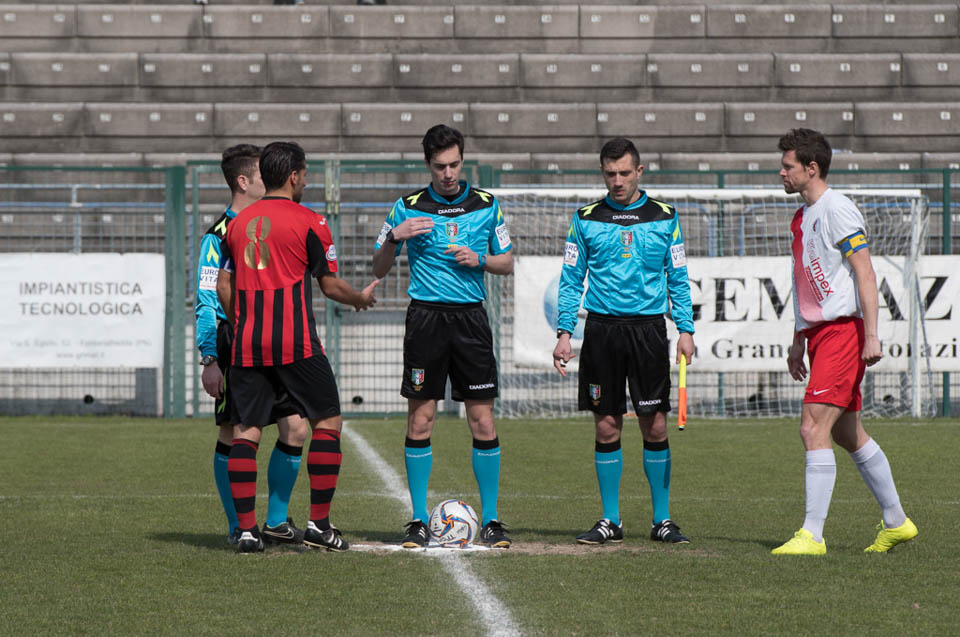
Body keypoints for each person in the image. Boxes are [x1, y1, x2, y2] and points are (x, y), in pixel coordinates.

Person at [218, 141, 379, 553]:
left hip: (247, 342)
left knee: (246, 431)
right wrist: (359, 298)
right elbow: (330, 285)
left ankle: (248, 532)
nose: (306, 182)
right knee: (327, 421)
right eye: (305, 175)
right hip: (296, 342)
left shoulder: (237, 223)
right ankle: (319, 526)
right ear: (293, 176)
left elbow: (223, 285)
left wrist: (242, 323)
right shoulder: (311, 221)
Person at [771, 128, 918, 555]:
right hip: (819, 335)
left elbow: (865, 273)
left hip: (843, 333)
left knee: (812, 427)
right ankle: (897, 522)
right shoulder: (802, 217)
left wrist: (871, 335)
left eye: (788, 166)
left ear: (811, 168)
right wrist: (798, 339)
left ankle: (812, 535)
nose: (781, 173)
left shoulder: (837, 209)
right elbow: (804, 284)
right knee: (847, 433)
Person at [372, 124, 515, 549]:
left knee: (482, 419)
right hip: (426, 320)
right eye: (440, 167)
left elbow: (507, 263)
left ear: (462, 161)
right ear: (427, 165)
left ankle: (492, 519)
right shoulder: (406, 208)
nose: (448, 174)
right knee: (421, 418)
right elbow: (379, 267)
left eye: (454, 165)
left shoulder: (486, 205)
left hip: (470, 320)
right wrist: (394, 237)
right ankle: (418, 519)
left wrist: (480, 259)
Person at [553, 137, 695, 546]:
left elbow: (678, 277)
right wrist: (564, 333)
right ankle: (610, 520)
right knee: (606, 424)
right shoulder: (585, 218)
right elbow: (570, 280)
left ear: (639, 172)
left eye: (624, 173)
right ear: (603, 173)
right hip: (602, 331)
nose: (617, 181)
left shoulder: (665, 217)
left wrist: (686, 329)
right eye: (610, 174)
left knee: (655, 423)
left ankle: (662, 520)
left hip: (648, 331)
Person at [194, 144, 307, 547]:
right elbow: (207, 299)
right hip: (235, 341)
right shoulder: (218, 237)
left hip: (278, 337)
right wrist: (210, 358)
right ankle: (237, 525)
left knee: (295, 427)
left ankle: (276, 521)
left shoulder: (274, 224)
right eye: (262, 174)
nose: (270, 178)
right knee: (234, 433)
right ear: (243, 182)